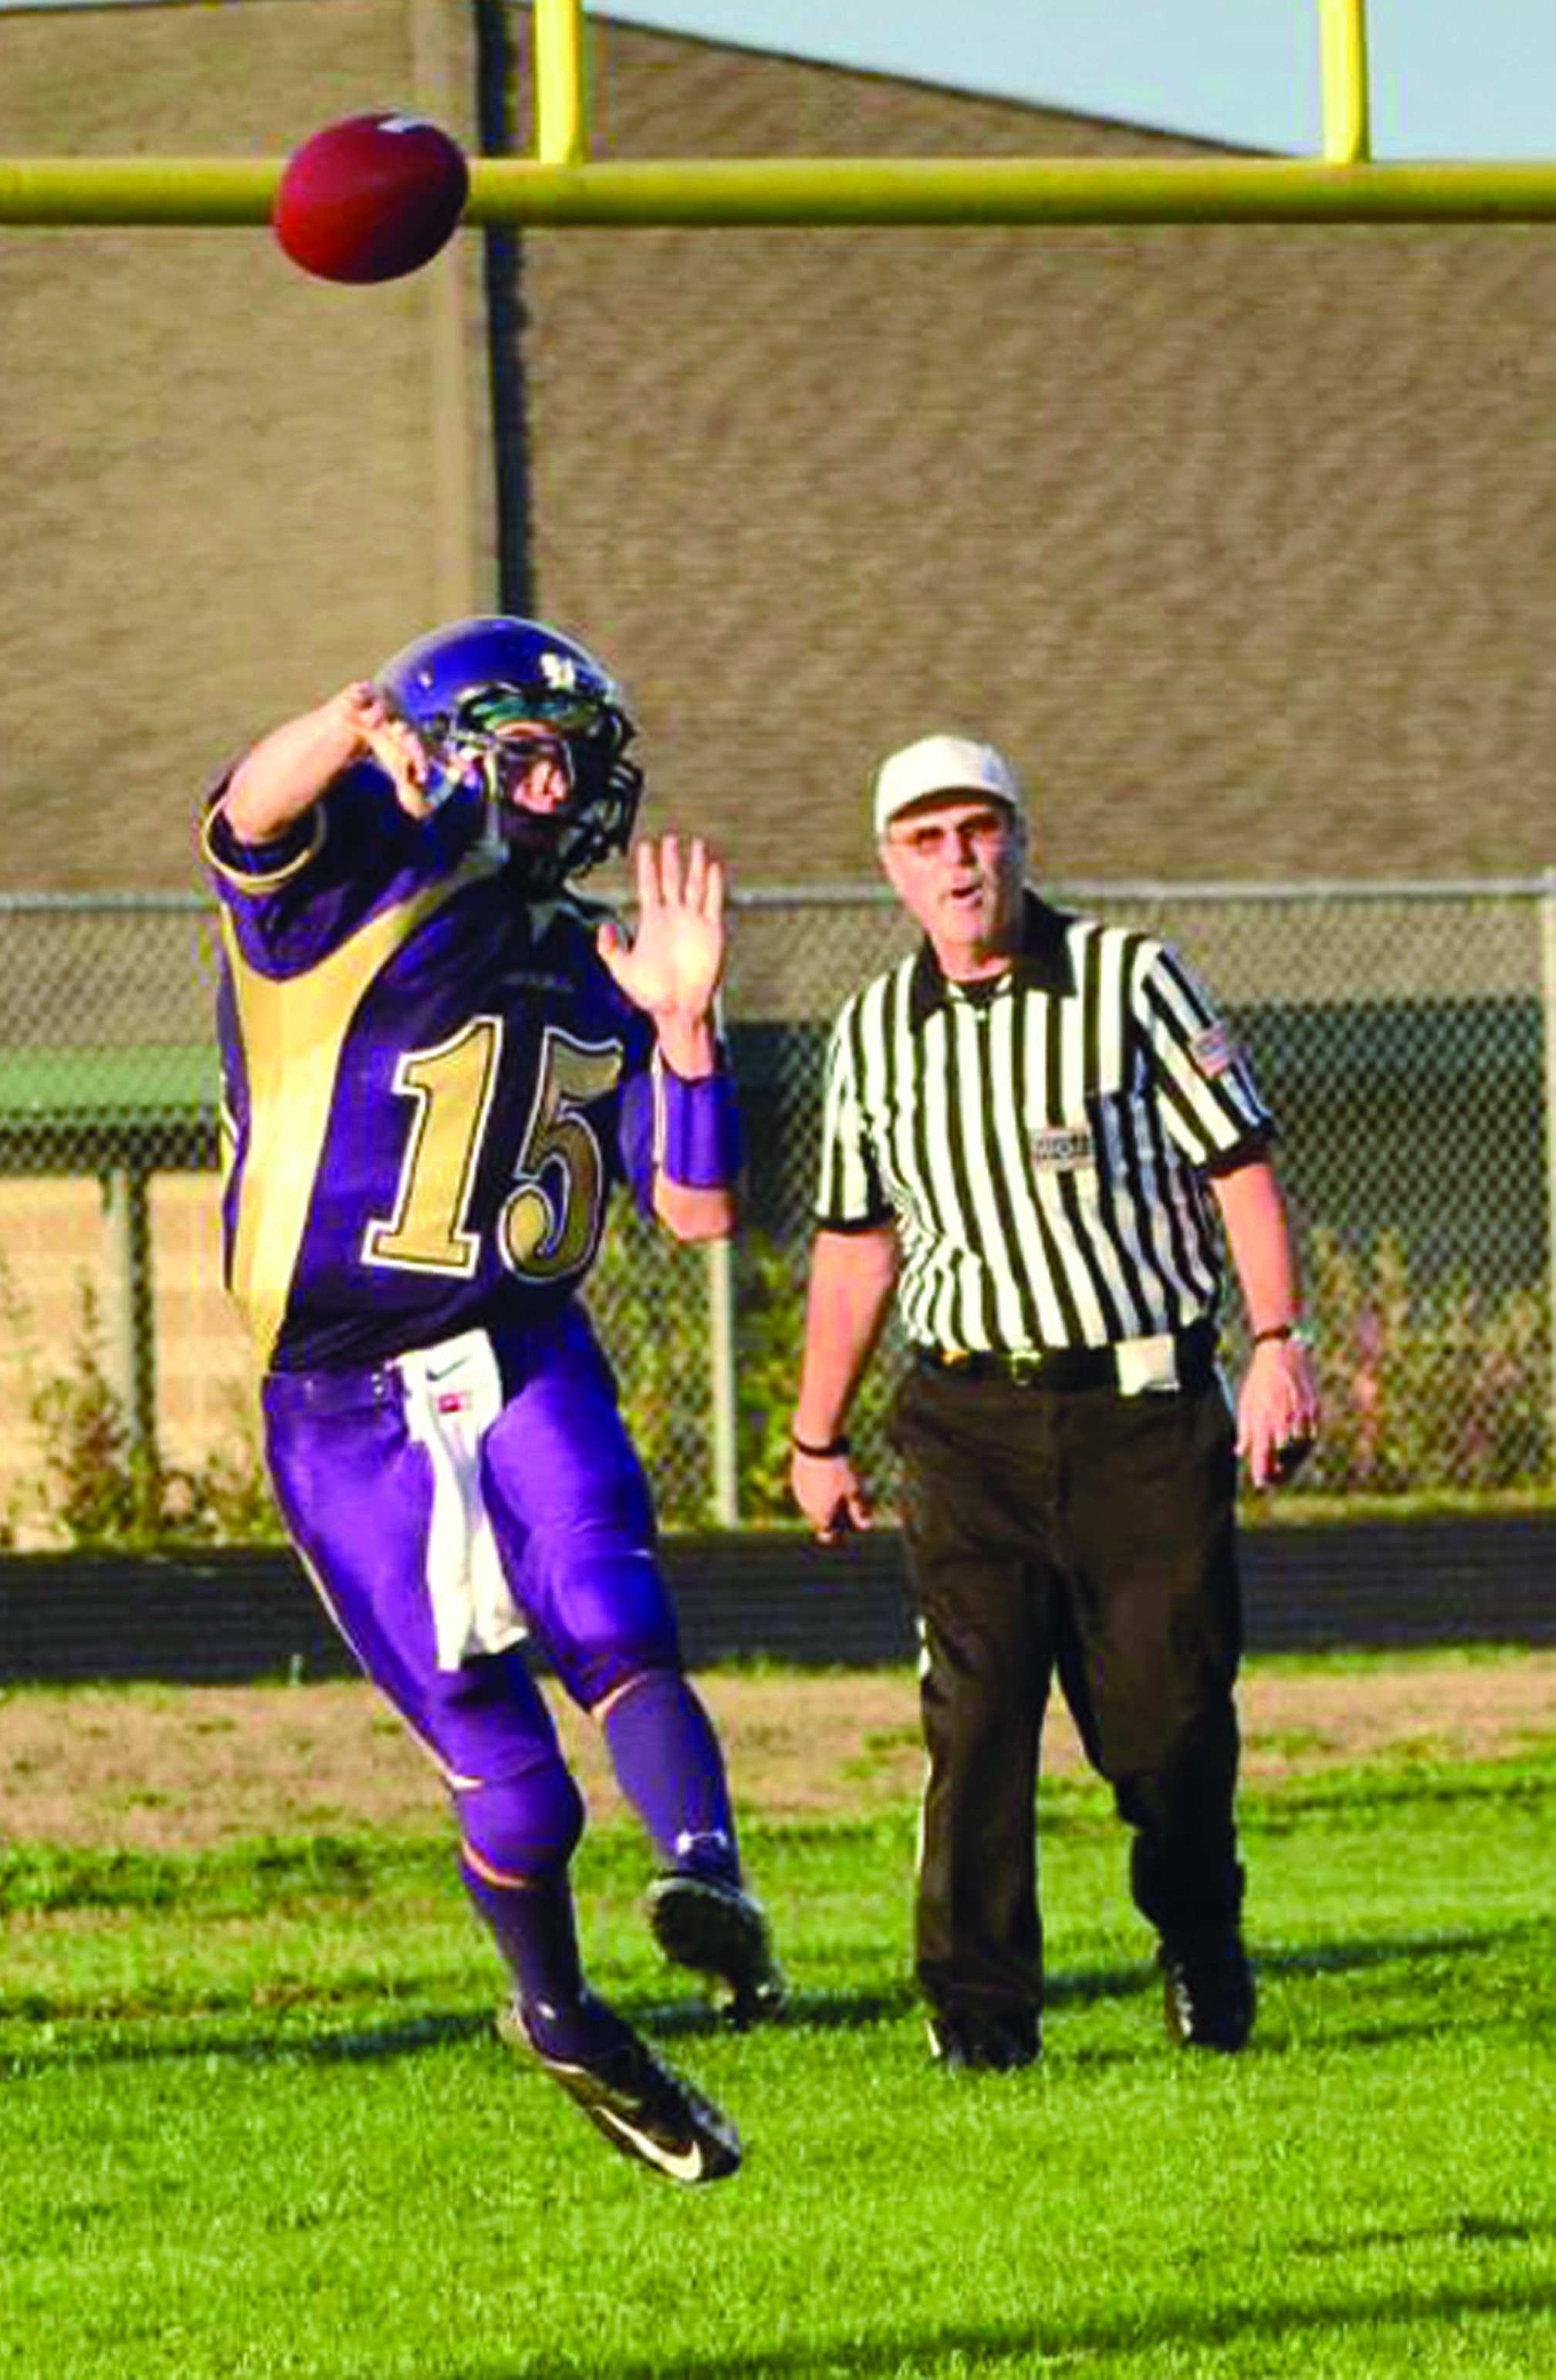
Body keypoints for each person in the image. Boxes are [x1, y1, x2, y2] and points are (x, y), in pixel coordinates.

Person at [201, 614, 783, 2187]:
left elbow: (702, 1212)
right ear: (451, 749)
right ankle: (564, 2011)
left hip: (521, 1334)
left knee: (611, 1605)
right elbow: (247, 813)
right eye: (527, 752)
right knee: (513, 1779)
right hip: (341, 1398)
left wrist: (683, 1026)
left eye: (574, 760)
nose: (560, 788)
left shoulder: (597, 961)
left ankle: (708, 1874)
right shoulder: (344, 894)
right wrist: (345, 721)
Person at [788, 733, 1321, 2072]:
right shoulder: (868, 1033)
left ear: (1022, 838)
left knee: (1169, 1729)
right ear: (889, 869)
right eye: (928, 841)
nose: (960, 863)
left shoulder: (1126, 979)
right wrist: (814, 1434)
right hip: (967, 1424)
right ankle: (980, 2022)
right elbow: (858, 1240)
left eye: (979, 831)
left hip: (1139, 1409)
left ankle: (1200, 1934)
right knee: (974, 1726)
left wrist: (1278, 1341)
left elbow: (1240, 1163)